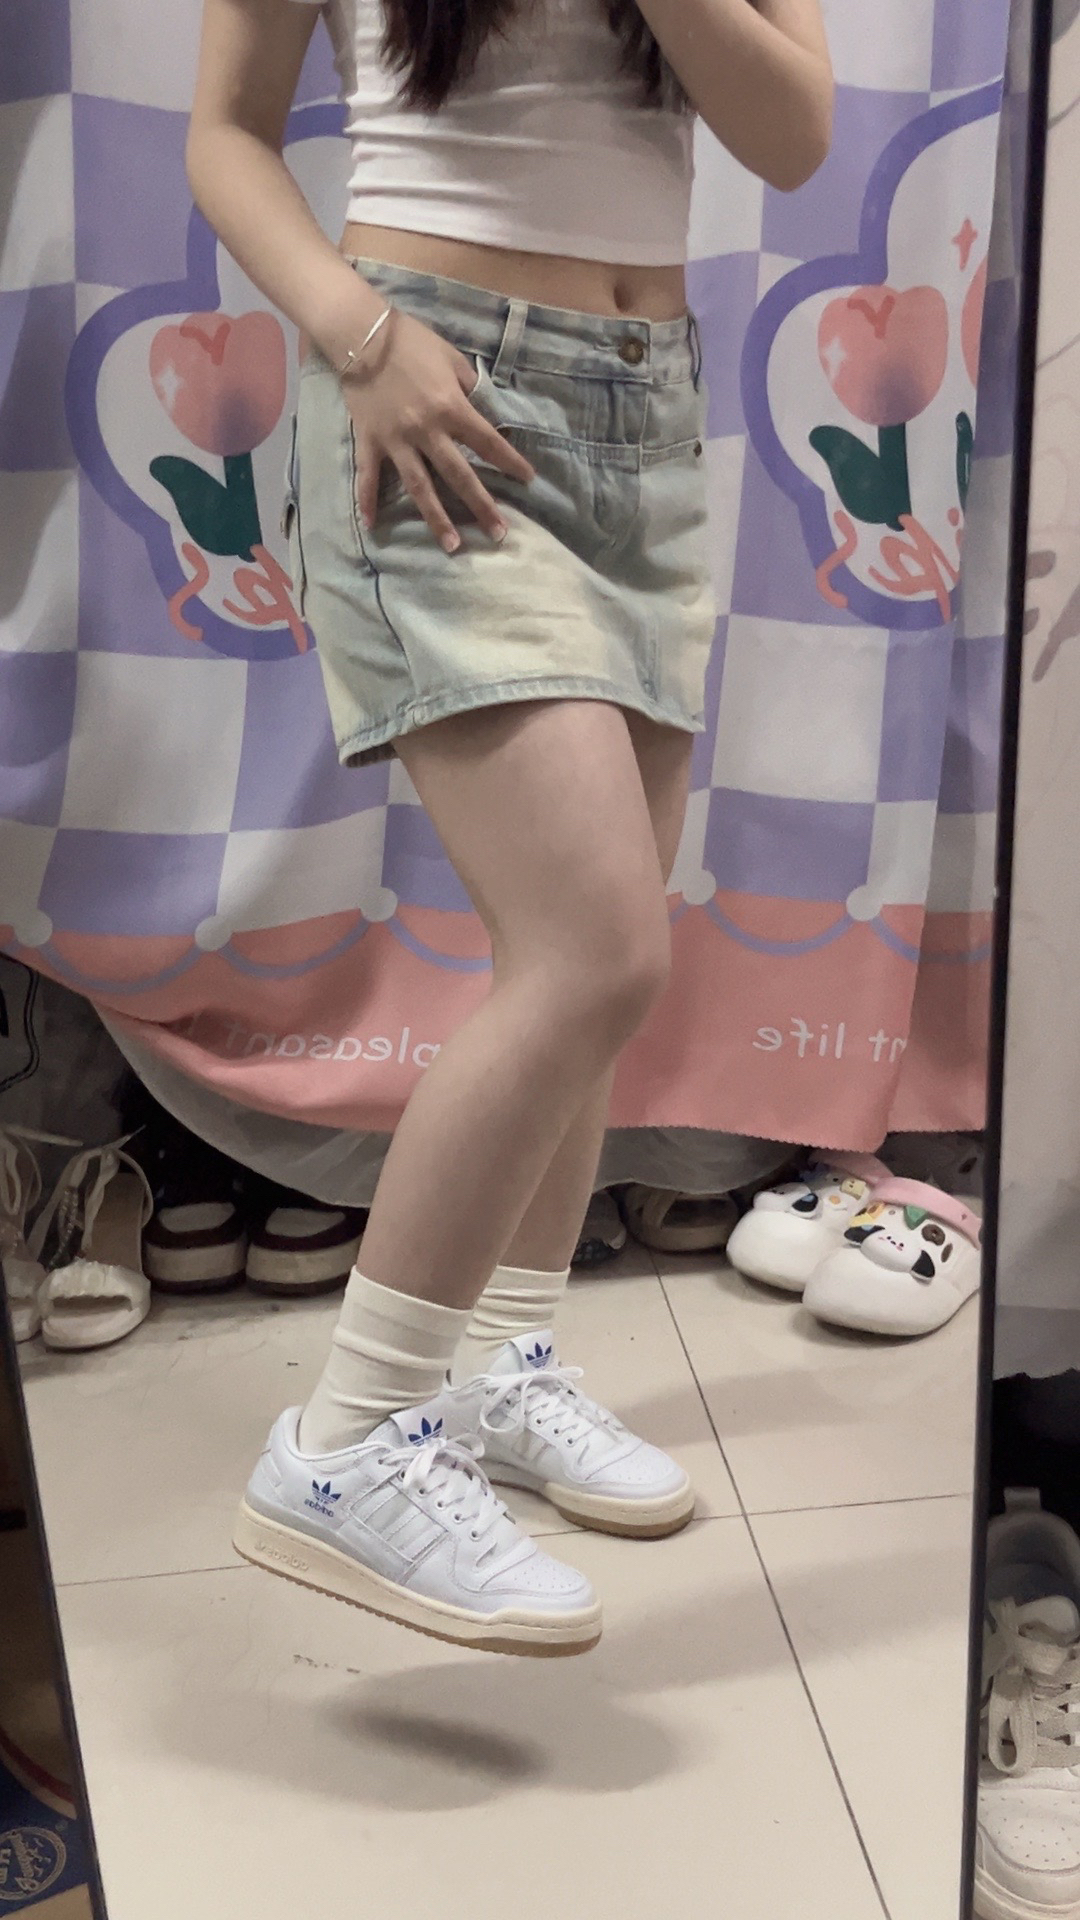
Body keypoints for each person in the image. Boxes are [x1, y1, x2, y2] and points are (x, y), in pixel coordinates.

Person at [186, 0, 833, 1658]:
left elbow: (792, 133)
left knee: (587, 966)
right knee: (592, 953)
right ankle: (345, 1443)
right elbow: (226, 131)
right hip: (434, 391)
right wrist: (360, 335)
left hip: (648, 417)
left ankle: (505, 1366)